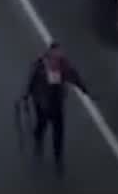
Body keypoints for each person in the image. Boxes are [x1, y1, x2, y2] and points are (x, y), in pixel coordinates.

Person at [21, 42, 88, 174]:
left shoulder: (64, 66)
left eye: (59, 56)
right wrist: (26, 95)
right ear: (49, 55)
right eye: (55, 56)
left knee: (58, 133)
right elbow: (30, 80)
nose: (57, 59)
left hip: (57, 104)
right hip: (42, 103)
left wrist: (85, 90)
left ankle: (58, 159)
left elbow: (75, 77)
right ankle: (38, 142)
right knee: (41, 125)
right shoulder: (39, 65)